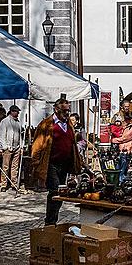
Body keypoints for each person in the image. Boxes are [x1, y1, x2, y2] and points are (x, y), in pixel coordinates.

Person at [32, 97, 84, 226]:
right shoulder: (46, 124)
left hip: (65, 164)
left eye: (68, 111)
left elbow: (72, 143)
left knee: (61, 192)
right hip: (51, 164)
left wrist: (78, 161)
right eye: (64, 110)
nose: (67, 113)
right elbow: (37, 145)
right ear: (56, 109)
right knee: (54, 191)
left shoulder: (69, 124)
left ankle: (53, 218)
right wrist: (36, 163)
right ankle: (50, 222)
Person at [0, 105, 23, 192]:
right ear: (12, 111)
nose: (18, 113)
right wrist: (4, 146)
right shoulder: (5, 122)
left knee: (15, 167)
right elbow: (2, 135)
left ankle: (14, 183)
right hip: (8, 147)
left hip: (17, 147)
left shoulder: (18, 123)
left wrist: (21, 146)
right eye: (16, 111)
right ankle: (4, 184)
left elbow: (20, 135)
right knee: (5, 166)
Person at [112, 111, 132, 182]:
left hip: (127, 150)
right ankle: (118, 183)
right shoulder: (128, 126)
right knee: (119, 168)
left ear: (131, 119)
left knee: (122, 170)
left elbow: (126, 138)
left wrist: (114, 140)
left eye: (126, 119)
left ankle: (120, 184)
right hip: (122, 149)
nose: (125, 120)